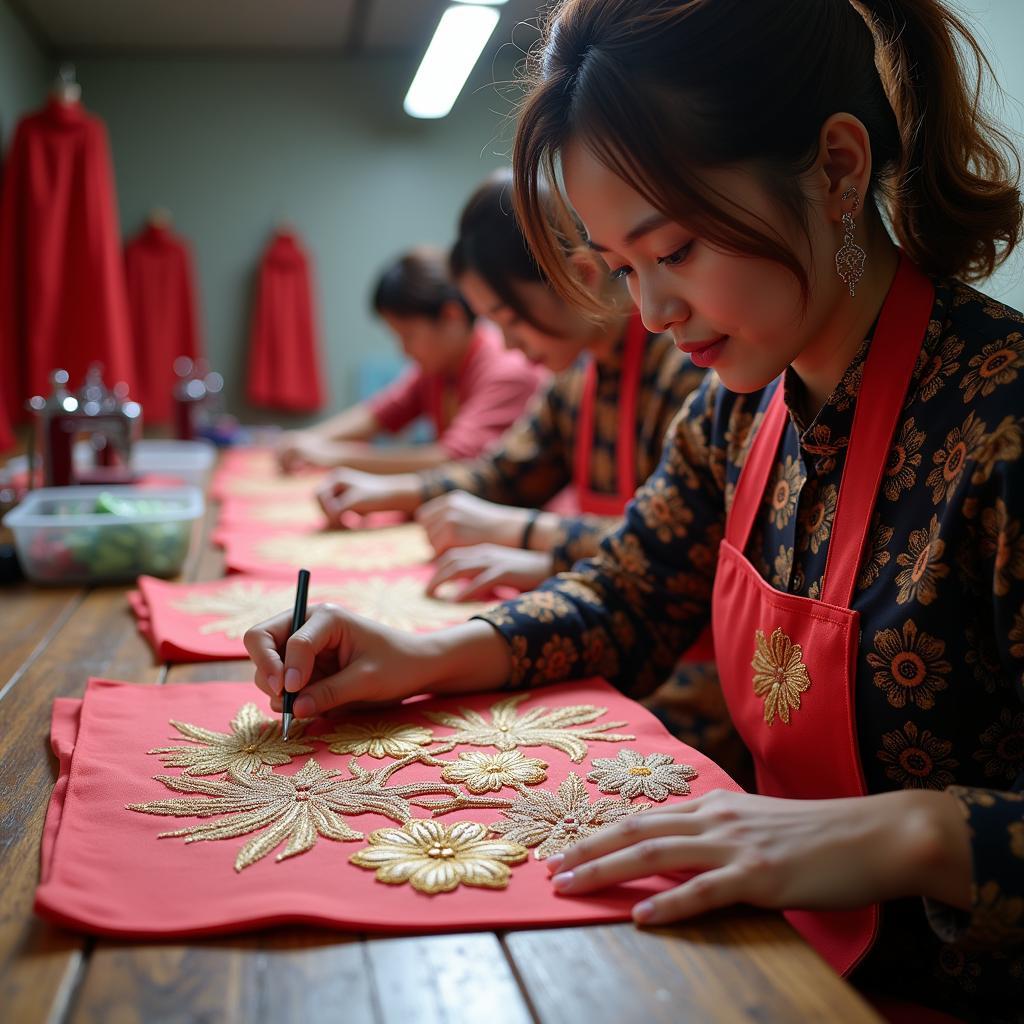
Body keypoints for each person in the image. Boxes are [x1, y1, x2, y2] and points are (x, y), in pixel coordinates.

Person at [246, 1, 1023, 1019]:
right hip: (778, 954)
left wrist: (911, 833)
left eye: (675, 251)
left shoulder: (1000, 420)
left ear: (837, 169)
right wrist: (414, 654)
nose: (651, 313)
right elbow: (626, 592)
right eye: (621, 269)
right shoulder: (739, 410)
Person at [317, 171, 707, 603]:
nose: (507, 343)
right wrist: (388, 492)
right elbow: (505, 474)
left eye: (511, 319)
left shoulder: (687, 368)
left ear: (577, 275)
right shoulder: (577, 376)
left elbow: (679, 543)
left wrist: (520, 532)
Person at [275, 247, 545, 474]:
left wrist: (335, 456)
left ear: (451, 316)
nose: (404, 350)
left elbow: (454, 461)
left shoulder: (506, 368)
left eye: (408, 335)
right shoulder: (439, 367)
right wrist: (309, 440)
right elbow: (382, 412)